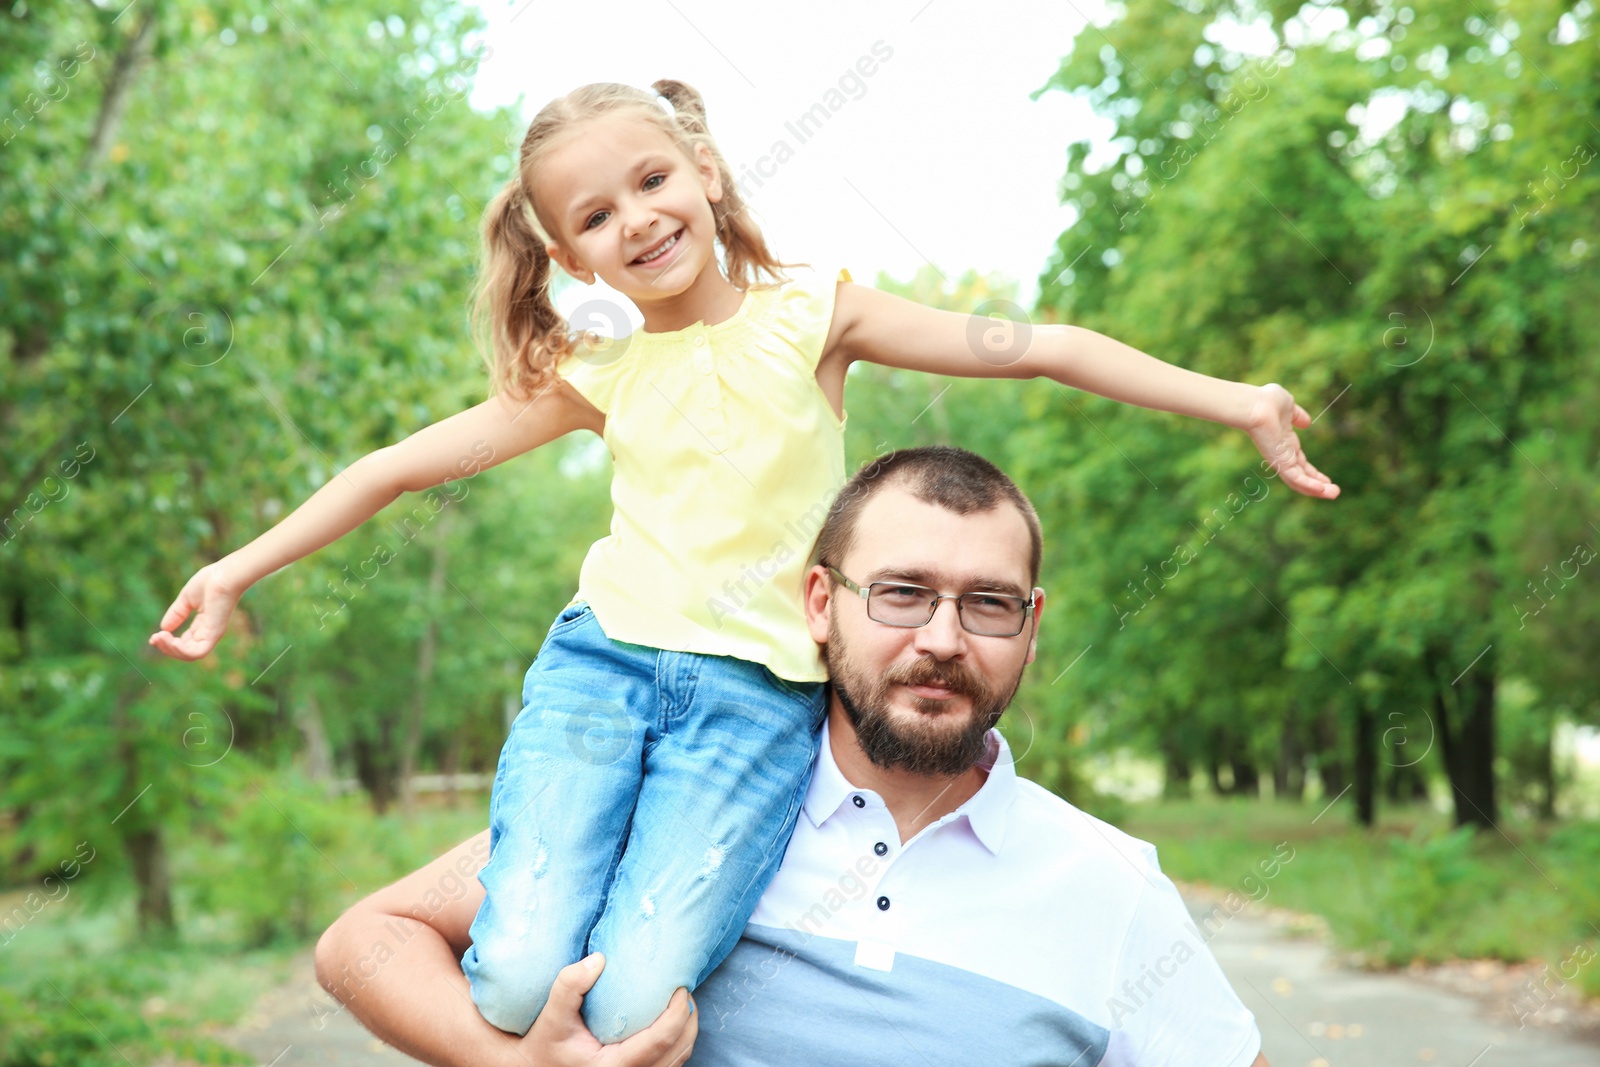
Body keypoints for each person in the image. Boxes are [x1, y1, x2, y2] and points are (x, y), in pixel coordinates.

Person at [150, 76, 1337, 1045]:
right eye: (597, 217)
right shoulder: (596, 375)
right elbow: (394, 466)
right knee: (512, 985)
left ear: (704, 173)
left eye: (652, 180)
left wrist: (1236, 400)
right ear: (570, 256)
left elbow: (1041, 348)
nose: (640, 220)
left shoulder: (814, 315)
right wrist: (237, 569)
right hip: (601, 674)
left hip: (751, 700)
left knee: (629, 1009)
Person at [315, 445, 1273, 1066]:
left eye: (988, 603)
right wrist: (514, 1064)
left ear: (1031, 625)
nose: (942, 637)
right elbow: (365, 941)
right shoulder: (689, 810)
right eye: (901, 592)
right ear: (820, 602)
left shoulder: (1106, 885)